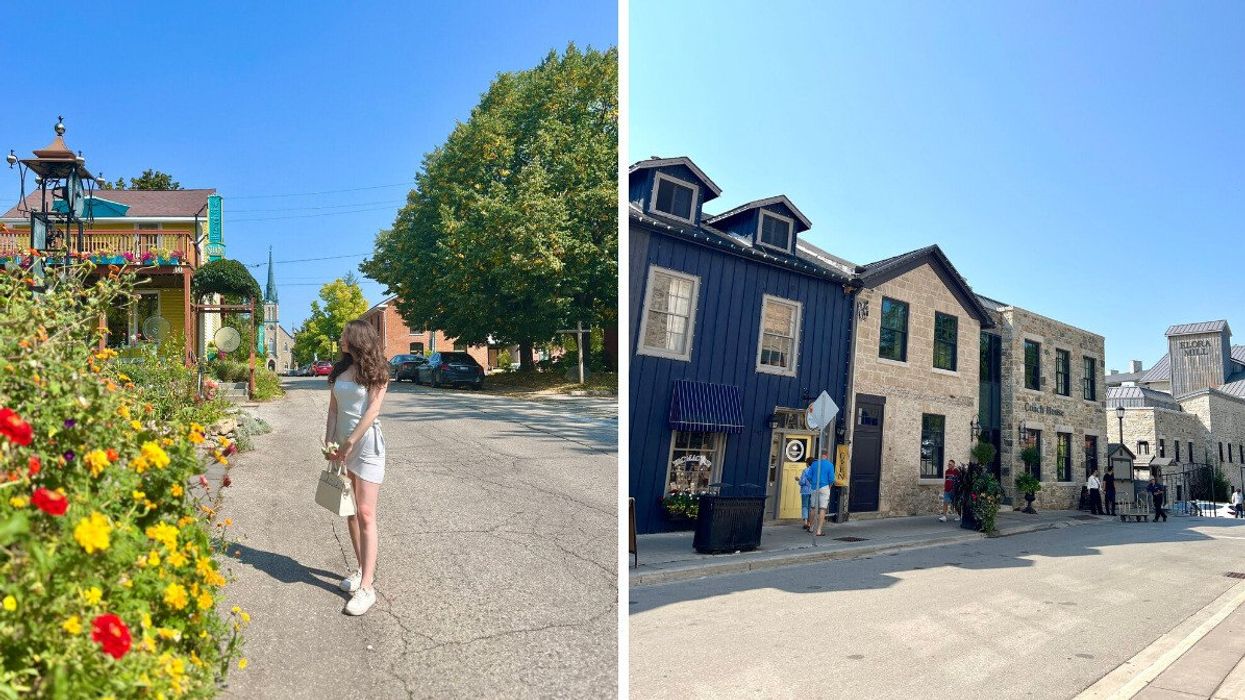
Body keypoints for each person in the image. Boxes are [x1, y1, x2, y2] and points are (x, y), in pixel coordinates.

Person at [325, 320, 390, 616]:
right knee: (348, 510)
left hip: (366, 447)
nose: (340, 339)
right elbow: (334, 409)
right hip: (341, 446)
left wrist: (350, 441)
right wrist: (329, 441)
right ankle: (362, 569)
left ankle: (367, 588)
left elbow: (373, 410)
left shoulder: (376, 372)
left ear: (357, 339)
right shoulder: (340, 371)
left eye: (344, 335)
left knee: (365, 513)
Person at [801, 450, 835, 536]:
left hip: (814, 487)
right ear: (826, 455)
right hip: (824, 487)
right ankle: (819, 530)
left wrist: (812, 483)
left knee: (812, 508)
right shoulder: (830, 465)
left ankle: (811, 527)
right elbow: (831, 479)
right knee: (822, 509)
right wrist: (829, 487)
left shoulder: (814, 464)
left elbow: (808, 476)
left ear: (819, 455)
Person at [796, 458, 814, 530]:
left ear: (807, 463)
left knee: (804, 506)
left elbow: (802, 482)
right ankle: (810, 523)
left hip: (805, 491)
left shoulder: (805, 470)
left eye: (806, 462)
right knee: (810, 507)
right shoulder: (815, 471)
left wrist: (798, 480)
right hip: (812, 491)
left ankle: (805, 522)